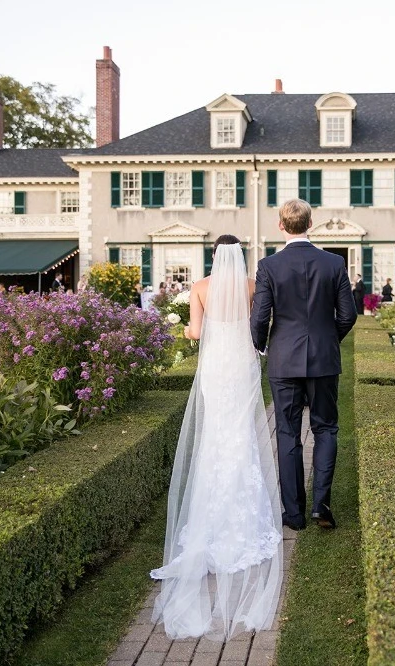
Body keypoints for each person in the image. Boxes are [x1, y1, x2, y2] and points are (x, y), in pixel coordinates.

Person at [151, 234, 283, 641]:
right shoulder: (250, 287)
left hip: (215, 366)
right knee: (240, 432)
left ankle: (209, 513)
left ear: (214, 255)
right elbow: (261, 323)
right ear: (239, 256)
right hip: (241, 363)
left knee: (215, 435)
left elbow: (194, 331)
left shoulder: (200, 288)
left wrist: (195, 330)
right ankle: (243, 513)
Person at [251, 198, 357, 535]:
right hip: (324, 359)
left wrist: (262, 345)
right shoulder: (333, 263)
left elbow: (259, 317)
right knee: (326, 428)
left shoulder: (269, 266)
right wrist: (328, 340)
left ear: (281, 226)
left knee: (287, 433)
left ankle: (293, 514)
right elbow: (348, 315)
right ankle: (321, 504)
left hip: (284, 359)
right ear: (310, 224)